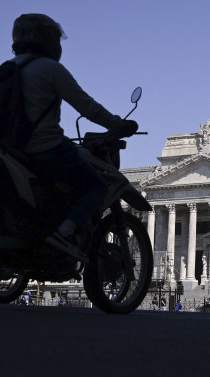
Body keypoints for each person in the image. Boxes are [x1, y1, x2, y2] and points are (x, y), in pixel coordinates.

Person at [10, 14, 137, 262]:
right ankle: (64, 233)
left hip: (11, 150)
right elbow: (88, 108)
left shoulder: (4, 70)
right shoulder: (49, 68)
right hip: (44, 148)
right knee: (98, 185)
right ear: (49, 41)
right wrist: (118, 124)